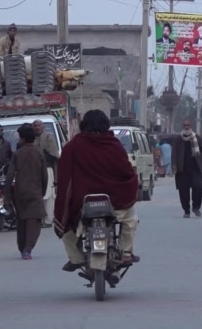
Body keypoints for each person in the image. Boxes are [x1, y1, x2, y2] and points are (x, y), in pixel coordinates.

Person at [54, 109, 140, 271]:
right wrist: (134, 182)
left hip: (82, 204)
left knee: (63, 222)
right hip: (115, 202)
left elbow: (64, 176)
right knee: (130, 219)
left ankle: (75, 258)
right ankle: (126, 252)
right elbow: (127, 172)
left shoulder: (73, 145)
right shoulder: (114, 145)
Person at [6, 124, 48, 260]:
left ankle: (21, 246)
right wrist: (42, 191)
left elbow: (10, 175)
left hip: (20, 192)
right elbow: (44, 175)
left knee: (22, 220)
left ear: (23, 139)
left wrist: (7, 193)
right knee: (34, 221)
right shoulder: (38, 153)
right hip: (35, 191)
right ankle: (28, 249)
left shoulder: (17, 154)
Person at [172, 119, 202, 218]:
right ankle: (186, 211)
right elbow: (174, 153)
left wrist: (200, 158)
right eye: (185, 125)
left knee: (198, 189)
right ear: (183, 126)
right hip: (182, 170)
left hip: (195, 169)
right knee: (183, 192)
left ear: (191, 126)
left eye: (188, 125)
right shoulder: (178, 139)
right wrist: (174, 165)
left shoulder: (197, 138)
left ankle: (196, 207)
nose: (186, 127)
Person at [33, 119, 60, 228]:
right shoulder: (31, 140)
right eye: (35, 125)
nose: (37, 127)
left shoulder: (49, 138)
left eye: (39, 125)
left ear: (43, 127)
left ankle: (48, 220)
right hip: (34, 171)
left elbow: (54, 157)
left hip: (48, 169)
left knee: (48, 196)